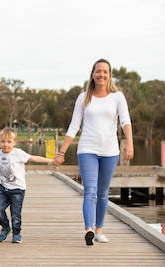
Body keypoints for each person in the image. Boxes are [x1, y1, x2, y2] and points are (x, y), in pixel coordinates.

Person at [53, 59, 134, 246]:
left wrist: (129, 144)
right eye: (98, 71)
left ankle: (99, 230)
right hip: (87, 150)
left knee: (103, 192)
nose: (101, 75)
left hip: (110, 151)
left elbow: (125, 121)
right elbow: (74, 126)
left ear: (110, 75)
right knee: (90, 191)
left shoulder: (117, 97)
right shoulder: (84, 97)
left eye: (105, 72)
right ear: (92, 74)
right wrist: (62, 152)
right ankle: (88, 229)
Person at [0, 128, 53, 243]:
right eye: (3, 141)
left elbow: (34, 158)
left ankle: (16, 233)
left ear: (14, 143)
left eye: (9, 142)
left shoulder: (18, 153)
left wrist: (51, 160)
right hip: (3, 188)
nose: (5, 144)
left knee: (15, 214)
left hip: (18, 190)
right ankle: (5, 227)